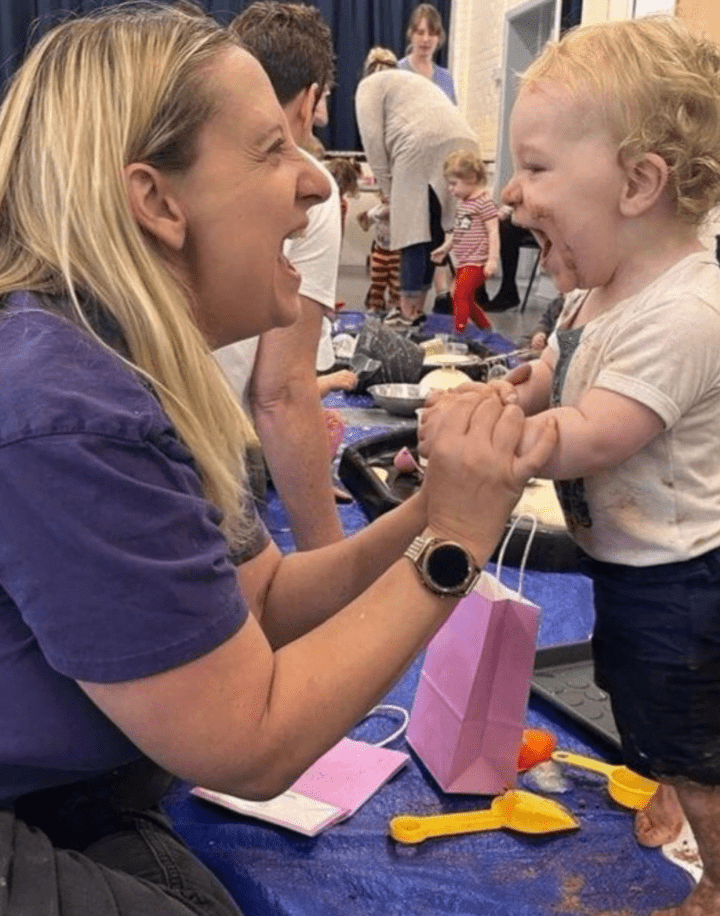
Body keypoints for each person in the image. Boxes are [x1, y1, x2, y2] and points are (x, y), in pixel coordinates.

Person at [0, 5, 559, 914]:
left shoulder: (127, 366)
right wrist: (451, 546)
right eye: (271, 149)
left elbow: (262, 602)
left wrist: (440, 506)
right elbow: (249, 744)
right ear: (158, 201)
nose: (312, 181)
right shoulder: (69, 412)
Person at [420, 17, 720, 916]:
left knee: (693, 733)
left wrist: (506, 446)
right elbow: (560, 367)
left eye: (539, 168)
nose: (513, 194)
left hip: (688, 581)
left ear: (637, 183)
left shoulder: (687, 311)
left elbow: (599, 431)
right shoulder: (597, 285)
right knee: (644, 707)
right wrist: (516, 393)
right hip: (630, 564)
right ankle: (668, 772)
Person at [214, 1, 345, 550]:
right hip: (200, 458)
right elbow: (281, 393)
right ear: (312, 98)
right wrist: (331, 562)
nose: (307, 187)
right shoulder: (312, 184)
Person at [355, 49, 479, 328]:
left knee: (411, 232)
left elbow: (373, 143)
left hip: (421, 143)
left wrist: (389, 193)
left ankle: (406, 311)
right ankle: (418, 310)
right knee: (434, 230)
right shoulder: (410, 83)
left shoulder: (368, 87)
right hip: (464, 139)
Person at [398, 3, 456, 309]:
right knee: (412, 242)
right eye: (420, 31)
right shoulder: (399, 70)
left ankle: (423, 308)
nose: (425, 38)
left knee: (434, 238)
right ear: (411, 33)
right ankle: (408, 309)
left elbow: (453, 121)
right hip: (410, 169)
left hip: (439, 171)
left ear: (439, 37)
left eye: (431, 32)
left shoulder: (445, 78)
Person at [431, 149, 498, 333]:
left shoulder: (483, 202)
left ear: (472, 179)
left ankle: (459, 332)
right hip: (464, 261)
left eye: (453, 183)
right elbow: (459, 231)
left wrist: (492, 260)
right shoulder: (464, 203)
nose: (449, 189)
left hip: (477, 261)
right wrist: (445, 248)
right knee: (463, 296)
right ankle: (484, 327)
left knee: (459, 295)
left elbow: (493, 231)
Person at [358, 192, 400, 314]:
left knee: (396, 284)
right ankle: (375, 305)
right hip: (379, 251)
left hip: (396, 252)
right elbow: (365, 224)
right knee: (377, 282)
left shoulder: (399, 210)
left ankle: (395, 305)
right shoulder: (377, 210)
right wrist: (370, 217)